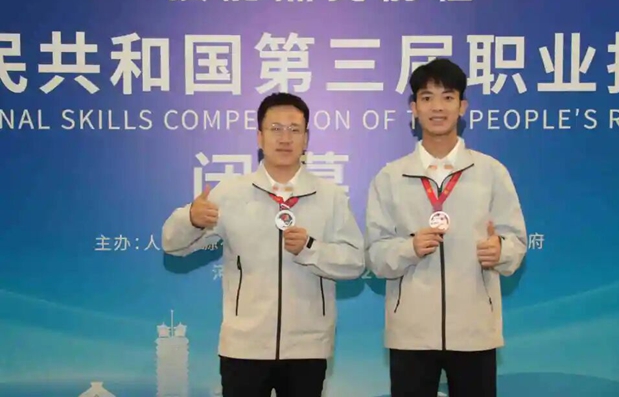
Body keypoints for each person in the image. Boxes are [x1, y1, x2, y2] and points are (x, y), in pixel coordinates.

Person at [161, 92, 366, 397]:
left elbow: (355, 262)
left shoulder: (330, 196)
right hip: (244, 347)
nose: (285, 138)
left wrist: (310, 248)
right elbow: (172, 245)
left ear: (306, 138)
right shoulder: (230, 193)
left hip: (307, 348)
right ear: (259, 136)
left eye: (294, 129)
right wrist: (191, 218)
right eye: (275, 129)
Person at [365, 58, 527, 396]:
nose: (437, 107)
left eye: (448, 97)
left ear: (462, 107)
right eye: (427, 98)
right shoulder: (390, 177)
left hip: (474, 331)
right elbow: (375, 256)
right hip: (410, 334)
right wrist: (408, 248)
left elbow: (516, 242)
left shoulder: (490, 172)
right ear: (414, 108)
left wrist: (500, 251)